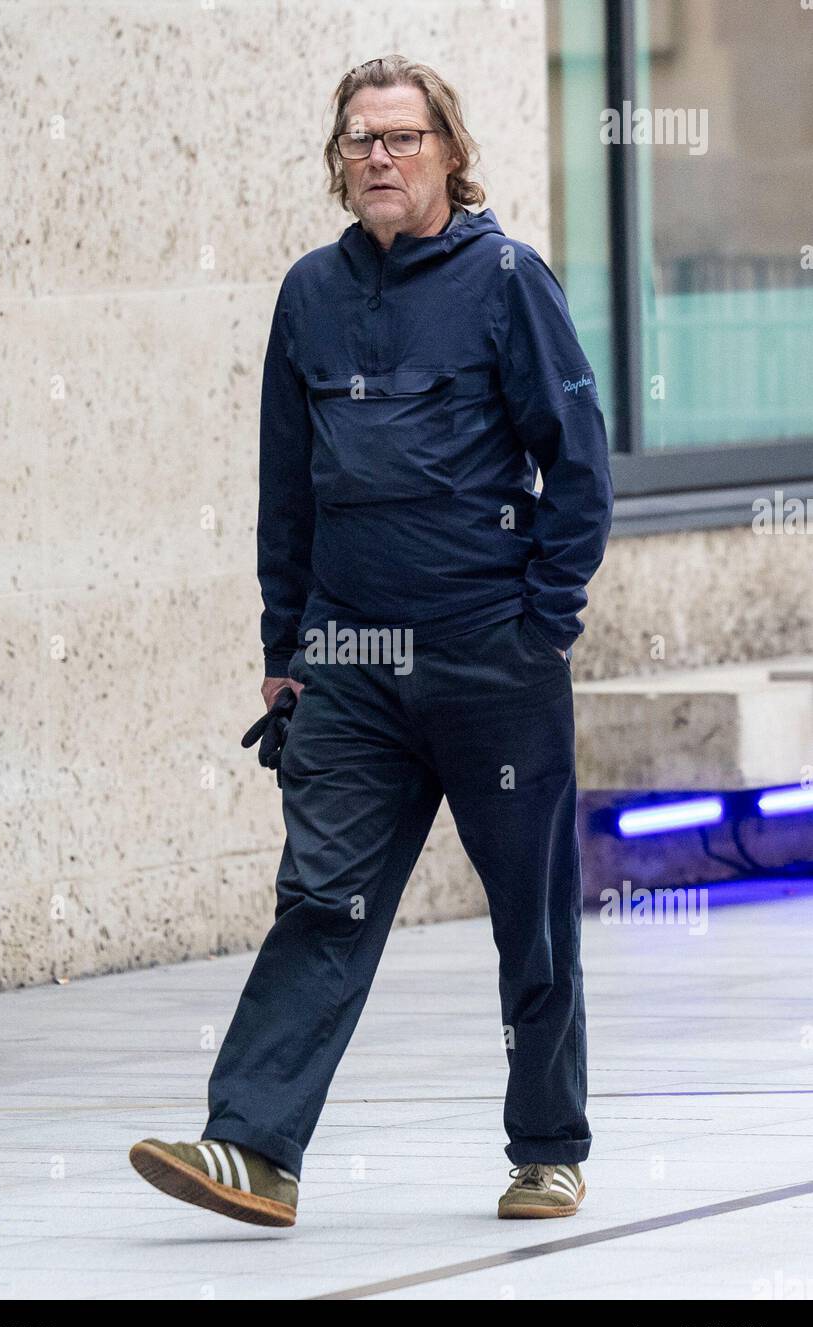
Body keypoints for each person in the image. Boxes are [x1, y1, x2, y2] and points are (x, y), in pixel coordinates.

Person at [130, 54, 614, 1228]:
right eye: (361, 141)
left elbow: (582, 464)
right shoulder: (310, 294)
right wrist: (284, 646)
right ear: (337, 163)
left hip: (488, 654)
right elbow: (284, 490)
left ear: (449, 151)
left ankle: (546, 1147)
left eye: (403, 138)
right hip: (348, 663)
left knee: (529, 912)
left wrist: (537, 624)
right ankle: (253, 1148)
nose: (381, 158)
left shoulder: (506, 278)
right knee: (322, 898)